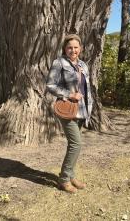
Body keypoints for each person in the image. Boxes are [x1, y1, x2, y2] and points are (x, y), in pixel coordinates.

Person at [46, 34, 93, 193]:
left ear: (80, 48)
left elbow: (87, 90)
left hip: (81, 110)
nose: (73, 50)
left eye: (76, 47)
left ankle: (71, 175)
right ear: (65, 49)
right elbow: (50, 85)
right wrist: (69, 94)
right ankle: (64, 179)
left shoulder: (83, 65)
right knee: (76, 144)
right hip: (66, 109)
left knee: (74, 145)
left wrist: (88, 108)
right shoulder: (59, 63)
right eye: (69, 47)